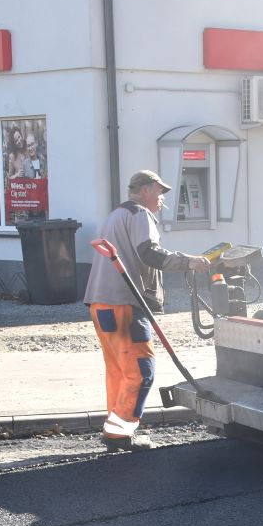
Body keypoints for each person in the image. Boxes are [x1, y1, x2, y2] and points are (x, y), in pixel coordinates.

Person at [85, 170, 208, 449]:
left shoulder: (115, 215)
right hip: (125, 304)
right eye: (159, 192)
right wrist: (190, 262)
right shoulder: (140, 214)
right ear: (145, 191)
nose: (162, 200)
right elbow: (149, 253)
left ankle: (115, 427)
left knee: (119, 371)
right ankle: (120, 433)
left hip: (101, 303)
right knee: (142, 370)